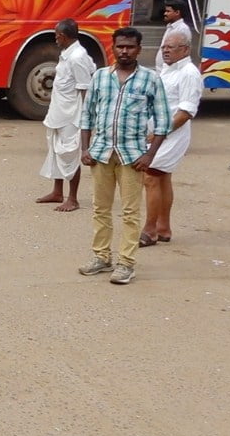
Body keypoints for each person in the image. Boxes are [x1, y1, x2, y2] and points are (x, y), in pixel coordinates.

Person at [78, 27, 171, 285]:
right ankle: (101, 257)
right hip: (101, 154)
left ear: (139, 49)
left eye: (130, 47)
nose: (124, 51)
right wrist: (85, 148)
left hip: (132, 157)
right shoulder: (99, 77)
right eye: (120, 46)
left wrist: (149, 155)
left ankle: (126, 263)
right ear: (113, 47)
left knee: (130, 212)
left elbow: (163, 122)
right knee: (101, 209)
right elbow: (87, 115)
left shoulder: (150, 80)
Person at [142, 30, 201, 246]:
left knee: (150, 176)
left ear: (185, 50)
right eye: (164, 47)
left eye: (171, 47)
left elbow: (185, 112)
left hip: (171, 134)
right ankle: (163, 228)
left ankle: (150, 230)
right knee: (162, 177)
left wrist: (160, 133)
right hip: (160, 132)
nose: (165, 50)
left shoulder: (189, 73)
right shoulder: (168, 70)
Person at [36, 19, 93, 211]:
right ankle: (57, 191)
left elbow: (85, 89)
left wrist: (86, 120)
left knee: (69, 153)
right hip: (58, 111)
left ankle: (73, 198)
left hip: (72, 114)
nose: (55, 38)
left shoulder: (78, 57)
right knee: (55, 150)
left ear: (64, 36)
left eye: (57, 35)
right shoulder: (67, 54)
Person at [155, 0, 192, 71]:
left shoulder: (182, 29)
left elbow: (181, 52)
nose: (165, 14)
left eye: (168, 11)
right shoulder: (170, 27)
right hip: (163, 70)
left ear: (177, 12)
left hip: (171, 70)